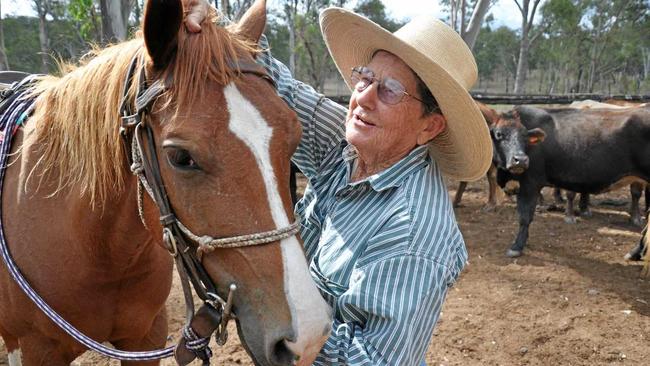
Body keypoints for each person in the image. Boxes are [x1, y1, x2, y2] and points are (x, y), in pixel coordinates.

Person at [183, 1, 492, 364]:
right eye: (365, 77)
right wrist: (209, 22)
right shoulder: (347, 141)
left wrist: (278, 310)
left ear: (430, 126)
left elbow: (374, 360)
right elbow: (277, 84)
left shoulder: (414, 233)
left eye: (390, 90)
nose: (363, 97)